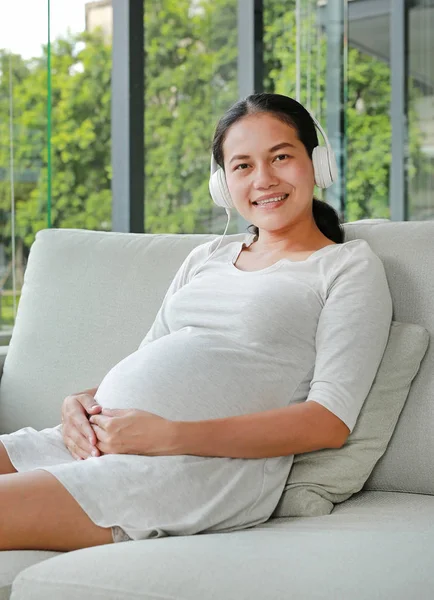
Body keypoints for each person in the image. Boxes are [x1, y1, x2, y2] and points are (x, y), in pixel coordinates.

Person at [0, 93, 393, 552]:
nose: (264, 179)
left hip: (195, 469)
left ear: (317, 162)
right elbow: (147, 362)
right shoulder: (206, 257)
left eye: (281, 156)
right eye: (243, 166)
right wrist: (80, 404)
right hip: (109, 442)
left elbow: (328, 422)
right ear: (224, 184)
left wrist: (168, 437)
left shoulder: (346, 266)